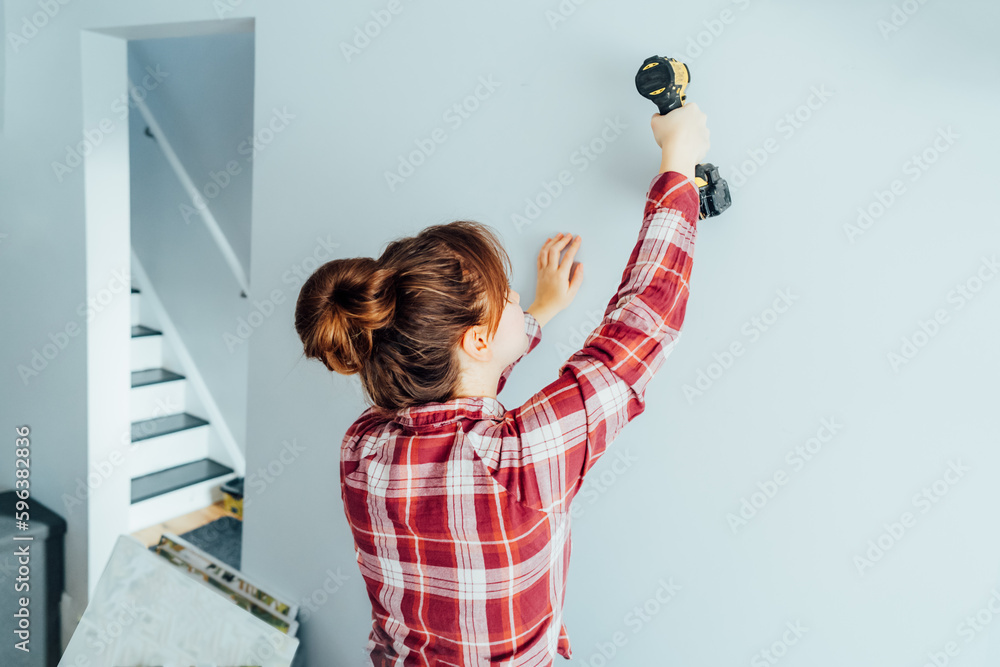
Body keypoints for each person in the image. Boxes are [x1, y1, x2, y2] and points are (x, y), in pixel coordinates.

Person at [294, 101, 710, 666]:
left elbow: (452, 394)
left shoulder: (362, 446)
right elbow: (640, 329)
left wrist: (536, 312)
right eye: (507, 295)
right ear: (478, 342)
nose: (515, 296)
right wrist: (678, 161)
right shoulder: (513, 458)